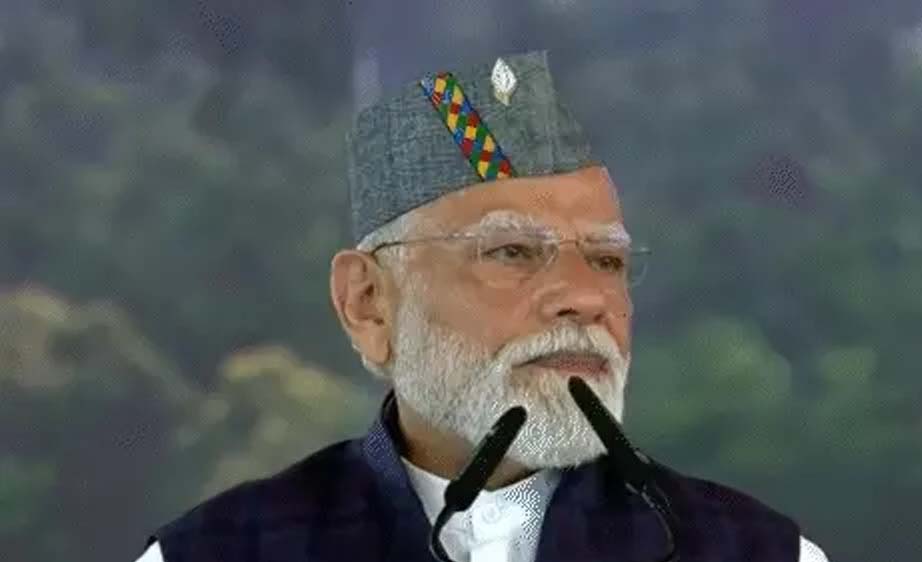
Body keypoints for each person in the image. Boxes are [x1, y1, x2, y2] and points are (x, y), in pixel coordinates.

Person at [135, 50, 830, 562]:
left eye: (606, 261)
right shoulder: (218, 553)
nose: (584, 299)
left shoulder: (758, 553)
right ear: (368, 303)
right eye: (512, 253)